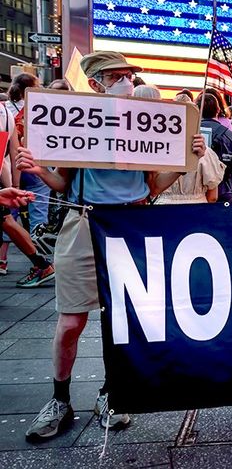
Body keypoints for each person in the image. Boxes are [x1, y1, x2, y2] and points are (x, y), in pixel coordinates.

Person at [18, 51, 205, 440]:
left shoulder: (146, 127)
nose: (126, 81)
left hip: (130, 226)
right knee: (71, 319)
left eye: (129, 75)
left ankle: (110, 394)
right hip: (85, 222)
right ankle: (60, 399)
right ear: (96, 83)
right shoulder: (81, 122)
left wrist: (187, 160)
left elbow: (152, 187)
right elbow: (62, 184)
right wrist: (40, 170)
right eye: (116, 75)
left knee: (119, 320)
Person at [3, 74, 56, 289]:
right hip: (29, 164)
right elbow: (13, 148)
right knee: (35, 213)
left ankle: (4, 260)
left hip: (11, 167)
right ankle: (41, 261)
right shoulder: (37, 106)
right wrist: (13, 184)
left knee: (8, 217)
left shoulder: (6, 106)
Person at [199, 93, 232, 203]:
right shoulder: (229, 135)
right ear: (218, 110)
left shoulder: (190, 133)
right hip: (224, 189)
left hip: (197, 191)